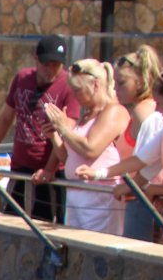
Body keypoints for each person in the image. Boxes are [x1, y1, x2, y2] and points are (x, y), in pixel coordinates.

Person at [78, 59, 163, 248]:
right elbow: (143, 160)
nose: (156, 109)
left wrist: (153, 190)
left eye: (160, 103)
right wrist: (100, 173)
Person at [0, 35, 77, 221]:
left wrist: (49, 169)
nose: (50, 70)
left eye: (56, 65)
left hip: (50, 174)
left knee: (45, 227)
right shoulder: (22, 78)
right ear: (36, 60)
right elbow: (6, 118)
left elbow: (66, 132)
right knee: (11, 222)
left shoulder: (68, 86)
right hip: (20, 168)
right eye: (46, 64)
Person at [41, 58, 129, 235]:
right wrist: (54, 136)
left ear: (95, 85)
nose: (74, 96)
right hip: (77, 198)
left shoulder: (113, 111)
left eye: (78, 91)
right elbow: (69, 158)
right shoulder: (86, 116)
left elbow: (91, 149)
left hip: (98, 200)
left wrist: (64, 129)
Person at [113, 47, 163, 240]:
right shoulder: (147, 109)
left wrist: (129, 187)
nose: (116, 89)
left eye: (122, 83)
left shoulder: (143, 112)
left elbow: (152, 161)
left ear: (141, 81)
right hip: (138, 197)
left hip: (141, 199)